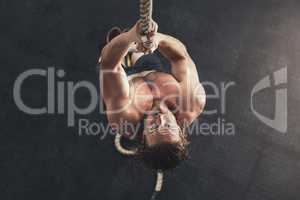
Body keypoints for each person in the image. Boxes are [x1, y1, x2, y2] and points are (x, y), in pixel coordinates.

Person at [99, 20, 206, 170]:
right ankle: (130, 47)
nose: (160, 118)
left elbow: (109, 63)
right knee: (138, 49)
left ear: (143, 136)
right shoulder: (192, 101)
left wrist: (131, 36)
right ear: (181, 132)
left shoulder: (124, 117)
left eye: (154, 128)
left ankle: (122, 45)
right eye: (168, 126)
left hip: (127, 85)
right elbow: (180, 55)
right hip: (150, 68)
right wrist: (157, 39)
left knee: (110, 53)